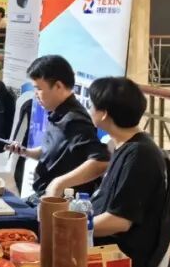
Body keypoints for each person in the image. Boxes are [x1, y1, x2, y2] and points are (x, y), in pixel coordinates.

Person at [86, 76, 167, 267]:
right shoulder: (123, 145)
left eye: (91, 105)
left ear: (104, 114)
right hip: (100, 244)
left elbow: (119, 222)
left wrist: (69, 228)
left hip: (118, 258)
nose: (89, 109)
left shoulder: (140, 155)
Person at [7, 55, 109, 202]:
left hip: (58, 204)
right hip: (40, 197)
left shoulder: (74, 120)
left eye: (39, 89)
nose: (36, 95)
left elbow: (101, 161)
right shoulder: (58, 113)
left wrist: (59, 183)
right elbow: (54, 153)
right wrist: (25, 152)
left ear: (58, 86)